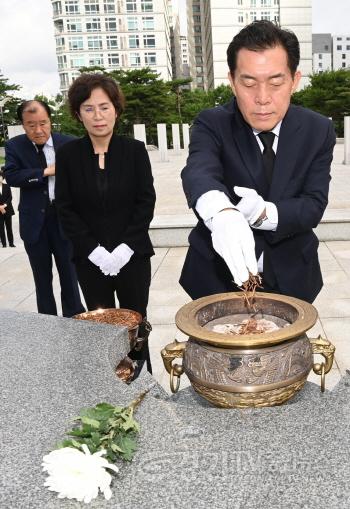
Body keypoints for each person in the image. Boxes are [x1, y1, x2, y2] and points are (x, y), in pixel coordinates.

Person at [180, 20, 336, 304]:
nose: (262, 99)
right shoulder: (212, 123)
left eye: (276, 83)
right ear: (232, 81)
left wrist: (265, 214)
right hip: (216, 277)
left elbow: (314, 204)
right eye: (249, 83)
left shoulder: (318, 129)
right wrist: (222, 213)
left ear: (295, 80)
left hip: (292, 275)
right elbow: (199, 172)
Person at [55, 73, 156, 372]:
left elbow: (145, 202)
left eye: (104, 106)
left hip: (133, 257)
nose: (97, 116)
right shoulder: (69, 155)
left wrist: (125, 247)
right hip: (90, 261)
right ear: (77, 113)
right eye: (88, 108)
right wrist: (93, 250)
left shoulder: (135, 151)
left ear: (116, 109)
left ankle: (143, 385)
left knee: (137, 325)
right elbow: (65, 208)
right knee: (100, 327)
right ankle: (109, 391)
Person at [4, 100, 85, 317]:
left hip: (64, 220)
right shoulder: (15, 146)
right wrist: (45, 172)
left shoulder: (68, 143)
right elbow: (11, 176)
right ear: (23, 125)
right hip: (34, 224)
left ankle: (75, 317)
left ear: (50, 120)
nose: (38, 130)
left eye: (43, 123)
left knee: (70, 275)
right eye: (31, 125)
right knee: (42, 278)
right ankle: (47, 321)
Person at [0, 169, 15, 247]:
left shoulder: (7, 186)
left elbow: (10, 197)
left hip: (8, 209)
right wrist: (0, 207)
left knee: (9, 227)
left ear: (2, 178)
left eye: (0, 177)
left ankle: (11, 243)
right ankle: (4, 244)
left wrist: (4, 205)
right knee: (1, 228)